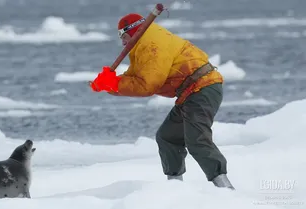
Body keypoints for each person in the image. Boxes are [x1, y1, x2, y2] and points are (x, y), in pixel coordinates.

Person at [89, 13, 235, 190]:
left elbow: (146, 85)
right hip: (189, 93)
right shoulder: (146, 42)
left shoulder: (152, 45)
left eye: (124, 37)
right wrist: (108, 85)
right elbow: (135, 77)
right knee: (168, 137)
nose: (123, 43)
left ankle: (227, 191)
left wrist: (113, 84)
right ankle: (174, 189)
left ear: (133, 31)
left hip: (202, 88)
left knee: (197, 141)